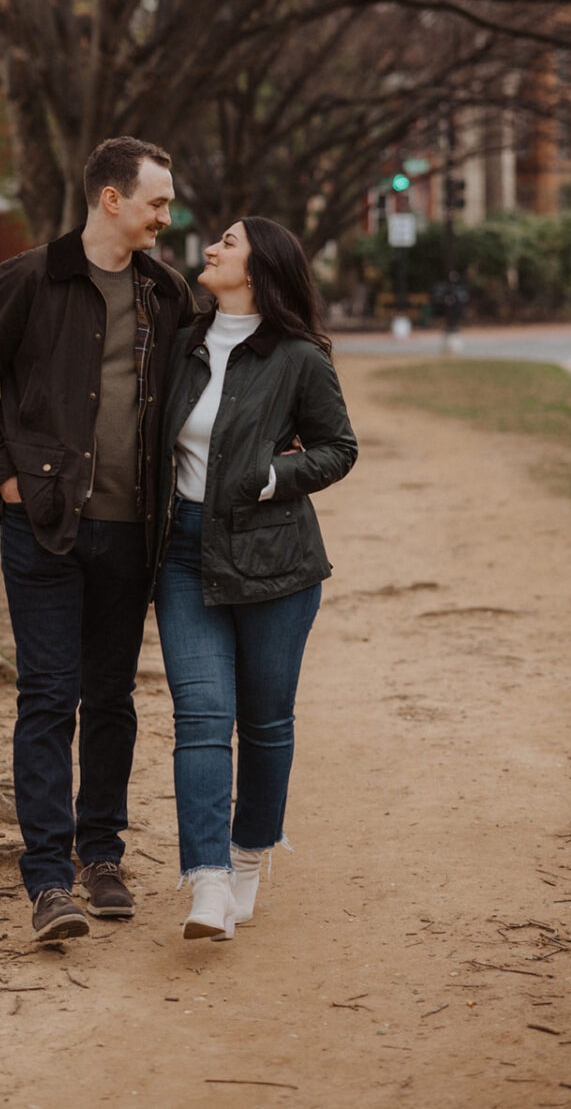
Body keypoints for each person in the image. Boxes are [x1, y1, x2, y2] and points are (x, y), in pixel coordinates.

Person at [0, 137, 197, 943]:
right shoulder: (28, 279)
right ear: (111, 199)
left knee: (112, 698)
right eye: (157, 202)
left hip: (133, 533)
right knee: (49, 697)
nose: (167, 216)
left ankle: (103, 857)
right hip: (44, 529)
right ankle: (49, 879)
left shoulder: (166, 291)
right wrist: (7, 481)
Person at [153, 216, 358, 940]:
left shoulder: (299, 357)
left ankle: (246, 858)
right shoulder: (182, 344)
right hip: (185, 553)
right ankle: (207, 880)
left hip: (276, 559)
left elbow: (338, 447)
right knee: (202, 714)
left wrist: (274, 475)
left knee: (266, 722)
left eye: (229, 242)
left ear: (260, 266)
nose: (212, 248)